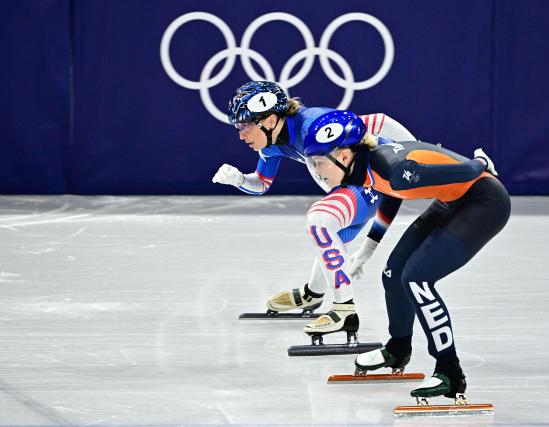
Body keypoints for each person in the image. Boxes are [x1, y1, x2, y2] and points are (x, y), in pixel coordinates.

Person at [302, 110, 510, 400]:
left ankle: (450, 372)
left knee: (416, 279)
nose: (317, 170)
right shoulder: (366, 166)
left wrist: (481, 161)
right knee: (394, 273)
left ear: (345, 156)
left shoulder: (394, 169)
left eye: (320, 162)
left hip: (485, 203)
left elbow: (470, 171)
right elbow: (390, 193)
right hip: (453, 200)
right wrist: (369, 247)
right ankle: (398, 349)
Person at [211, 81, 416, 338]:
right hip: (357, 187)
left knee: (321, 220)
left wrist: (413, 150)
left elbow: (378, 121)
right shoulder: (272, 143)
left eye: (244, 125)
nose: (240, 135)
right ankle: (313, 293)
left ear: (271, 120)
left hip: (373, 182)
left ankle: (344, 309)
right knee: (332, 241)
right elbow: (262, 183)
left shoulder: (315, 123)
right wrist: (239, 179)